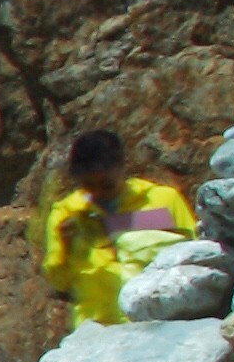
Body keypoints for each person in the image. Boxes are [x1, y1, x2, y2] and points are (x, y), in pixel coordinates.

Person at [35, 129, 197, 325]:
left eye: (107, 185)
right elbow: (58, 282)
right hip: (97, 329)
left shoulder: (162, 199)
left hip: (159, 321)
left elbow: (194, 253)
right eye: (88, 185)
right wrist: (65, 248)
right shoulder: (66, 214)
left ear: (123, 166)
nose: (98, 192)